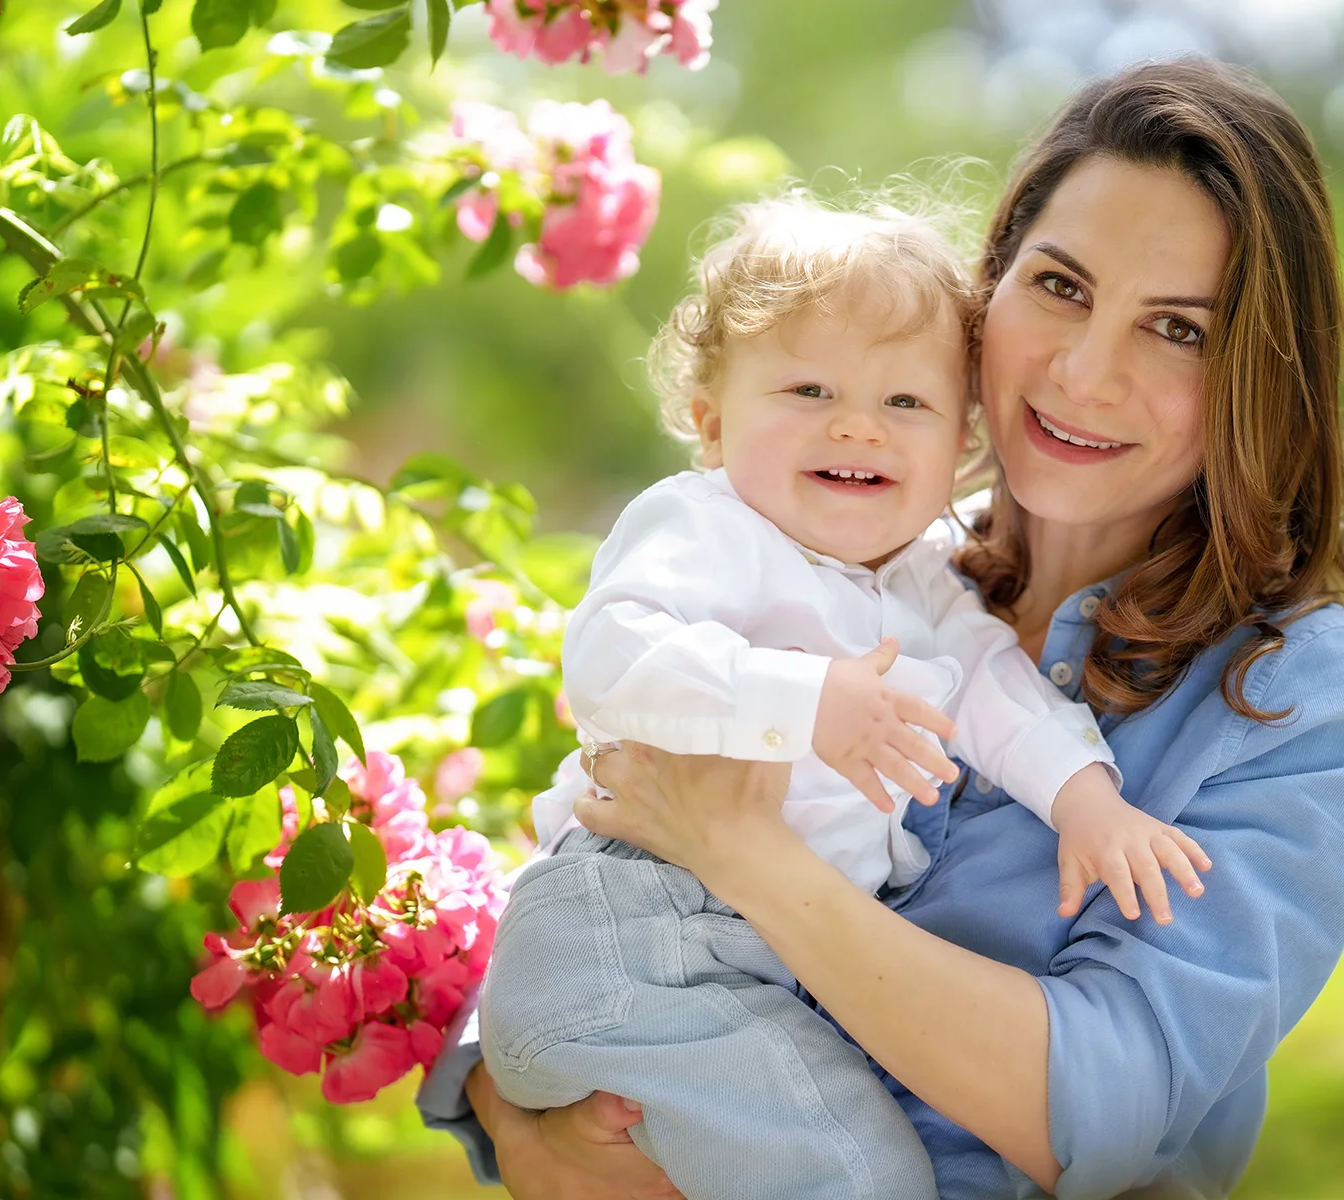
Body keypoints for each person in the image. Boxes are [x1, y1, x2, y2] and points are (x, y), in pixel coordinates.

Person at [419, 55, 1344, 1200]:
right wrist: (510, 1104)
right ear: (984, 297)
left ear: (1254, 374)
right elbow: (601, 833)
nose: (1085, 373)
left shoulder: (1301, 698)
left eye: (1177, 331)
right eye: (1059, 287)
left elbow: (1103, 1110)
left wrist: (747, 857)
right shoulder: (861, 552)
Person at [476, 194, 1209, 1200]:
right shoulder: (707, 526)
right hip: (640, 924)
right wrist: (801, 697)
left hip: (736, 959)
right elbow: (612, 654)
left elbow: (996, 692)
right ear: (709, 417)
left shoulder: (918, 582)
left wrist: (1084, 797)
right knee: (854, 1176)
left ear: (957, 444)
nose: (856, 424)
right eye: (808, 388)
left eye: (904, 404)